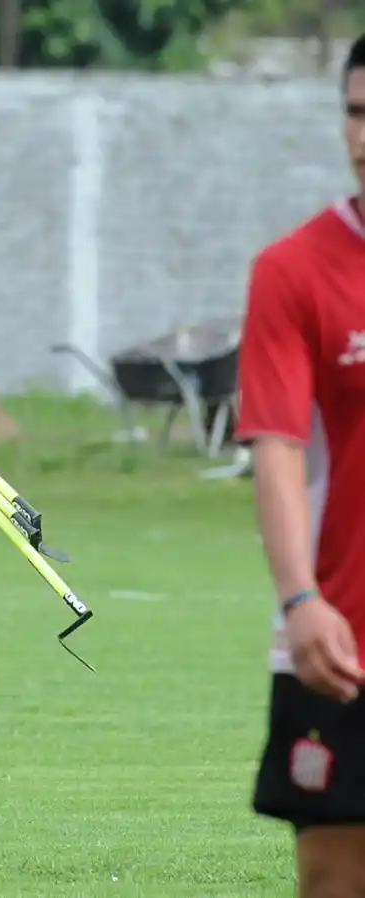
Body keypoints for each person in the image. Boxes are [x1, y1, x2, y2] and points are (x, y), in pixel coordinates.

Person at [235, 32, 365, 898]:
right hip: (343, 636)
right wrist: (300, 598)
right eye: (356, 113)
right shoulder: (294, 269)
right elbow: (276, 448)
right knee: (331, 874)